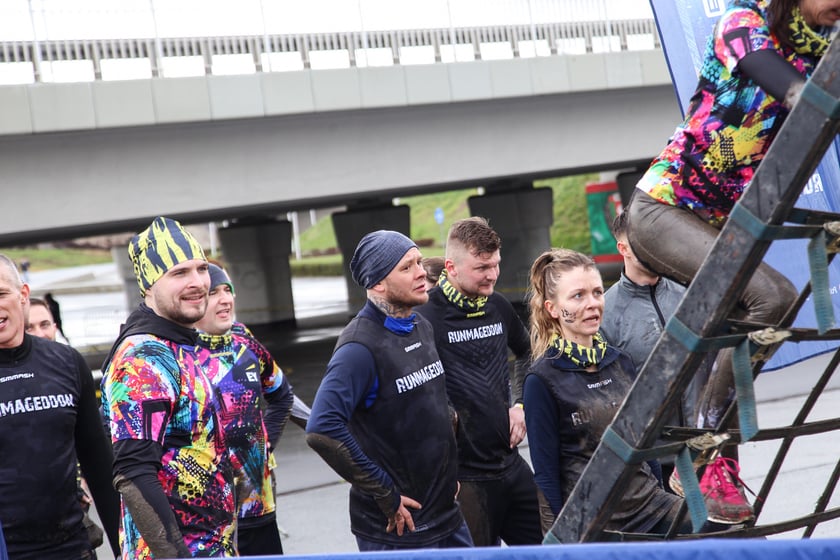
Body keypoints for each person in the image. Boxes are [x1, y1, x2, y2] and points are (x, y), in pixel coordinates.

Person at [626, 0, 838, 523]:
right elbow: (792, 92)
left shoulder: (822, 51)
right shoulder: (744, 25)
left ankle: (715, 453)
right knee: (772, 297)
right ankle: (699, 456)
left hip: (718, 223)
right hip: (664, 208)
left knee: (733, 327)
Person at [306, 230, 473, 551]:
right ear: (379, 283)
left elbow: (437, 404)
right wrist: (385, 492)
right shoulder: (359, 346)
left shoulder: (420, 326)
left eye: (419, 262)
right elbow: (322, 429)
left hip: (446, 514)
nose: (422, 272)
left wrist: (450, 466)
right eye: (407, 267)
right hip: (398, 527)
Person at [524, 248, 696, 537]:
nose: (592, 304)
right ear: (552, 309)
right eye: (578, 296)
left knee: (732, 531)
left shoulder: (620, 362)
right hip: (597, 525)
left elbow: (643, 444)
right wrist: (557, 543)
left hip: (651, 506)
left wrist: (658, 492)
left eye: (597, 293)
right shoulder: (541, 379)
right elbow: (545, 475)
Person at [100, 216, 236, 558]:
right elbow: (133, 472)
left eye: (201, 269)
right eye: (179, 273)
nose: (198, 283)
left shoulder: (179, 344)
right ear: (148, 284)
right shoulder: (145, 356)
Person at [414, 217, 541, 546]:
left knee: (549, 549)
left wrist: (521, 405)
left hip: (509, 463)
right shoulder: (426, 319)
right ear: (451, 267)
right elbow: (412, 395)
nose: (493, 275)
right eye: (482, 267)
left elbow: (528, 352)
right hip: (464, 478)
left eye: (496, 265)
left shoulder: (497, 306)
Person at [0, 253, 121, 559]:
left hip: (72, 546)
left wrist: (123, 548)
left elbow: (97, 461)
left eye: (1, 294)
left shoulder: (66, 362)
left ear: (23, 295)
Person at [600, 210, 713, 486]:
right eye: (643, 240)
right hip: (653, 466)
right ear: (622, 248)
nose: (654, 247)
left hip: (706, 454)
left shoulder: (689, 295)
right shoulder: (605, 314)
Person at [195, 263, 295, 556]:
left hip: (257, 503)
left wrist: (262, 450)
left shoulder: (243, 341)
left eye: (228, 290)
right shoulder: (177, 353)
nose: (225, 299)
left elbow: (281, 395)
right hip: (207, 517)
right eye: (214, 292)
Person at [25, 296, 108, 552]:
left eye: (45, 324)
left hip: (73, 526)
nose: (40, 333)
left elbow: (91, 442)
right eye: (30, 327)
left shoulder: (69, 367)